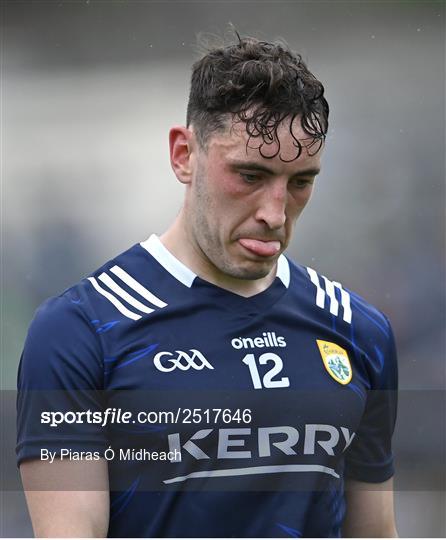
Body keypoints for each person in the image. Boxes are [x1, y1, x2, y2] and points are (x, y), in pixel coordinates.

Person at [17, 34, 398, 537]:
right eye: (249, 175)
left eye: (301, 182)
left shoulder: (356, 330)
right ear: (183, 154)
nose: (275, 213)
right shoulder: (81, 332)